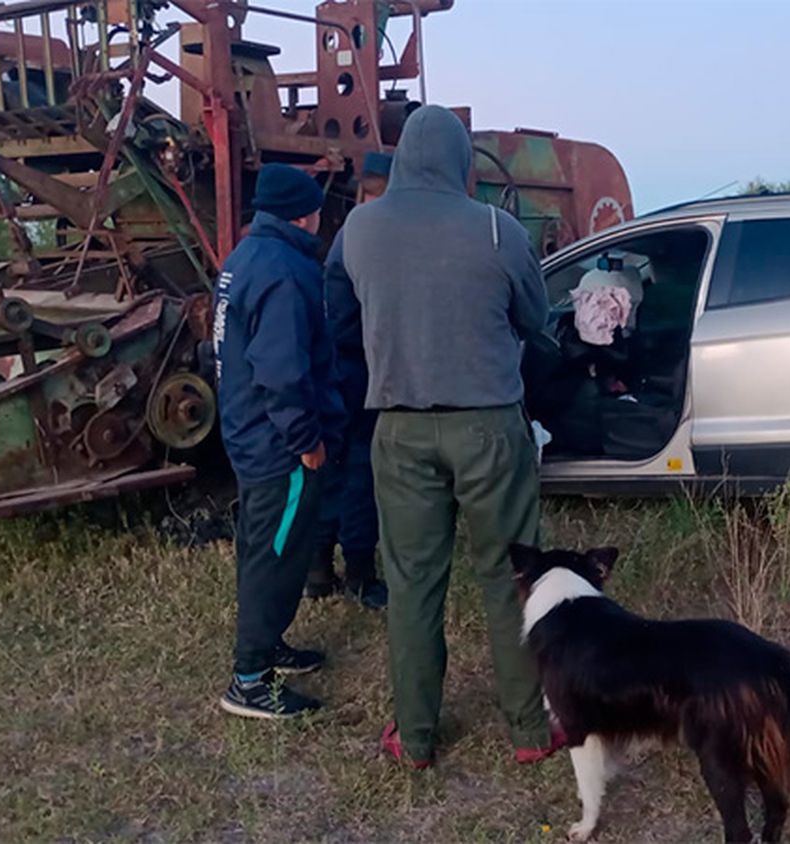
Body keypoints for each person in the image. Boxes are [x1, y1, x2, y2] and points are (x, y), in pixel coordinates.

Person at [340, 105, 560, 768]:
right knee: (509, 573)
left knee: (411, 582)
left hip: (399, 429)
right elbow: (535, 318)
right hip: (489, 424)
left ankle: (415, 735)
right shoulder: (497, 231)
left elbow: (353, 311)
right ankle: (528, 731)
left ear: (404, 156)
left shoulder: (359, 229)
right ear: (463, 162)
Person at [212, 163, 344, 720]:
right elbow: (282, 370)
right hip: (279, 445)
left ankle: (271, 647)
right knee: (276, 557)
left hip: (247, 432)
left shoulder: (243, 259)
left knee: (262, 547)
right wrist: (305, 437)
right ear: (305, 213)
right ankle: (250, 680)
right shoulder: (287, 271)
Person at [304, 232, 388, 609]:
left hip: (330, 366)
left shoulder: (347, 236)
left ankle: (318, 569)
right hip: (358, 367)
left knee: (329, 467)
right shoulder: (373, 234)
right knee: (360, 469)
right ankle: (360, 574)